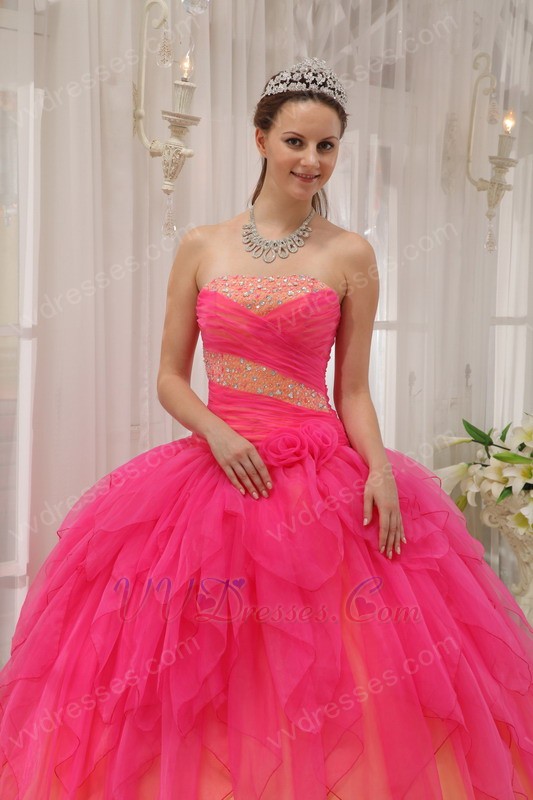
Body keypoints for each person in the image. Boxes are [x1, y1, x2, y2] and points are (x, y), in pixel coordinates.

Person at [0, 57, 532, 800]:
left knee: (341, 664)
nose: (311, 161)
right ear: (260, 141)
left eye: (326, 146)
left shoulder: (350, 253)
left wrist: (379, 471)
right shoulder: (202, 246)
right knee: (203, 660)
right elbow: (170, 378)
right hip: (217, 474)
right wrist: (218, 434)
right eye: (295, 142)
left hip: (322, 478)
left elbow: (351, 390)